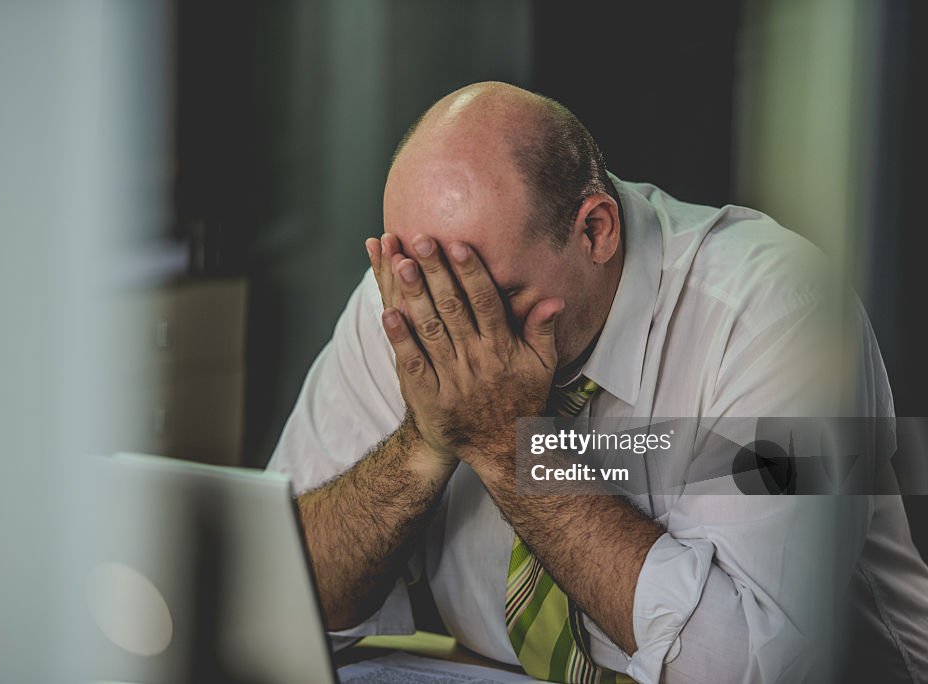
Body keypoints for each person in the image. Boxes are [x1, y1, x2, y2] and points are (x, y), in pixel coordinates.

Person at [267, 82, 928, 683]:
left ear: (595, 230)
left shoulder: (781, 313)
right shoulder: (418, 304)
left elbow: (749, 671)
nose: (458, 335)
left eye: (493, 298)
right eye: (432, 293)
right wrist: (425, 441)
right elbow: (283, 603)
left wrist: (509, 450)